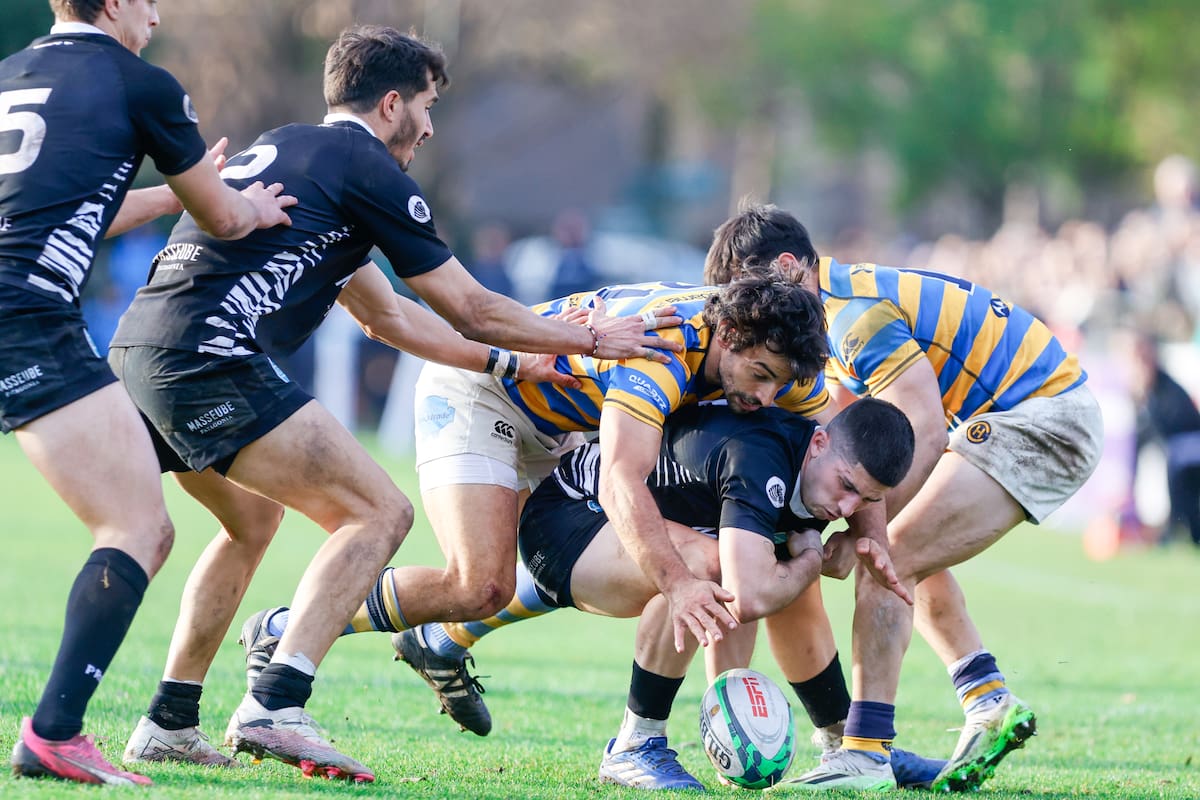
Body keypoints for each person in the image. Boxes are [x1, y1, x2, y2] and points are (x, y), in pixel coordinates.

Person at [108, 25, 677, 783]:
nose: (431, 126)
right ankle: (277, 703)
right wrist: (588, 340)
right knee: (379, 512)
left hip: (140, 348)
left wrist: (512, 360)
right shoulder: (366, 167)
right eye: (427, 105)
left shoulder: (298, 152)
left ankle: (170, 721)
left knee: (253, 521)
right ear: (390, 104)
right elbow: (469, 304)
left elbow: (392, 317)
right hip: (209, 360)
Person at [240, 274, 836, 738]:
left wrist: (870, 534)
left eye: (777, 385)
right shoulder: (663, 349)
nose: (765, 397)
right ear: (730, 337)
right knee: (480, 582)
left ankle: (438, 641)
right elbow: (621, 484)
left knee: (594, 555)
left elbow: (848, 437)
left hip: (564, 419)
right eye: (759, 376)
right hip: (485, 389)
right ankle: (287, 628)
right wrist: (677, 584)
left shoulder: (774, 352)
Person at [703, 204, 1104, 792]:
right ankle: (987, 696)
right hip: (1041, 412)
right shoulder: (839, 311)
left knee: (886, 556)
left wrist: (859, 530)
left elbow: (923, 424)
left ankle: (864, 755)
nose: (753, 309)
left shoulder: (851, 318)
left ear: (789, 267)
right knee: (908, 549)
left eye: (755, 288)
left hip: (1043, 418)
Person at [1, 0, 295, 786]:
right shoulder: (141, 85)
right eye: (150, 1)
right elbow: (227, 216)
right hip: (26, 319)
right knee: (137, 526)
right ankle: (54, 733)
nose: (158, 17)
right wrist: (252, 206)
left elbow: (66, 209)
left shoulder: (13, 75)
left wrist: (167, 196)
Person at [513, 398, 917, 790]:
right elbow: (747, 597)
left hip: (623, 524)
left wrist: (866, 536)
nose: (848, 508)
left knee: (777, 574)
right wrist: (812, 559)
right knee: (717, 570)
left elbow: (760, 603)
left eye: (867, 499)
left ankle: (842, 739)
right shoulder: (759, 459)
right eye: (846, 487)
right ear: (819, 443)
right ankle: (635, 743)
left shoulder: (821, 473)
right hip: (568, 519)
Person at [1116, 328, 1200, 547]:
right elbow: (1141, 435)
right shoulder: (1142, 392)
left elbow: (1174, 425)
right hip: (1175, 449)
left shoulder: (1166, 387)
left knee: (1173, 459)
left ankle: (1174, 528)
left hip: (1190, 443)